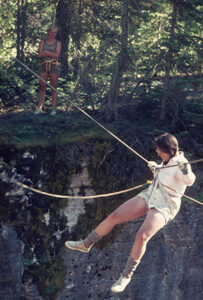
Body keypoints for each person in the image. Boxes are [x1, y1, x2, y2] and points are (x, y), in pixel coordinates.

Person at [65, 133, 196, 293]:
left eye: (160, 150)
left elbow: (190, 180)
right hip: (150, 195)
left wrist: (185, 171)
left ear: (170, 150)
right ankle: (86, 244)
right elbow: (165, 172)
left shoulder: (181, 163)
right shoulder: (166, 160)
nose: (157, 152)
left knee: (142, 236)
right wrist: (156, 167)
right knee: (114, 216)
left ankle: (126, 276)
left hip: (166, 205)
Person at [35, 25, 61, 116]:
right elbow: (39, 54)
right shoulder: (42, 42)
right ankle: (39, 108)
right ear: (48, 32)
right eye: (52, 32)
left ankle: (53, 109)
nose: (53, 34)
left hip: (54, 65)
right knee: (42, 86)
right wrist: (49, 53)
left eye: (55, 32)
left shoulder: (58, 43)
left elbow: (57, 55)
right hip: (43, 65)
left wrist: (46, 52)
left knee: (54, 87)